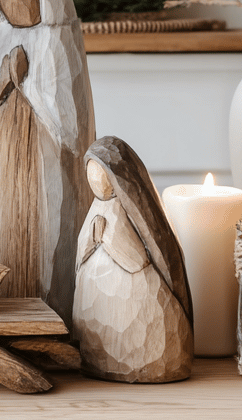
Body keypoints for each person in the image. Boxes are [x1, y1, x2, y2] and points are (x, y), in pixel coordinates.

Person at [0, 0, 94, 331]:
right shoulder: (1, 39)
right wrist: (6, 75)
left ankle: (49, 313)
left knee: (46, 238)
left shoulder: (60, 41)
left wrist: (26, 81)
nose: (16, 5)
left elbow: (69, 120)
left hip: (44, 160)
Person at [73, 136, 194, 382]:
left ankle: (140, 362)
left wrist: (107, 238)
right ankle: (98, 358)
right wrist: (92, 240)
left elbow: (137, 260)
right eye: (91, 173)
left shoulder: (128, 210)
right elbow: (81, 250)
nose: (96, 181)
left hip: (138, 302)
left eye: (101, 173)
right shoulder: (97, 208)